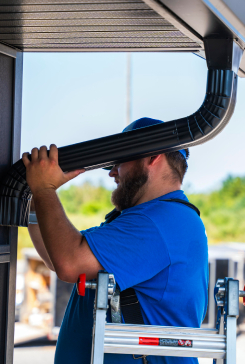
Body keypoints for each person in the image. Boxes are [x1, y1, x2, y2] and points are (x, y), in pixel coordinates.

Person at [22, 118, 209, 364]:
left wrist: (46, 189)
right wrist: (38, 203)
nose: (112, 172)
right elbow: (57, 258)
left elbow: (69, 262)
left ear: (152, 156)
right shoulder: (151, 218)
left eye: (119, 162)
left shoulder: (159, 222)